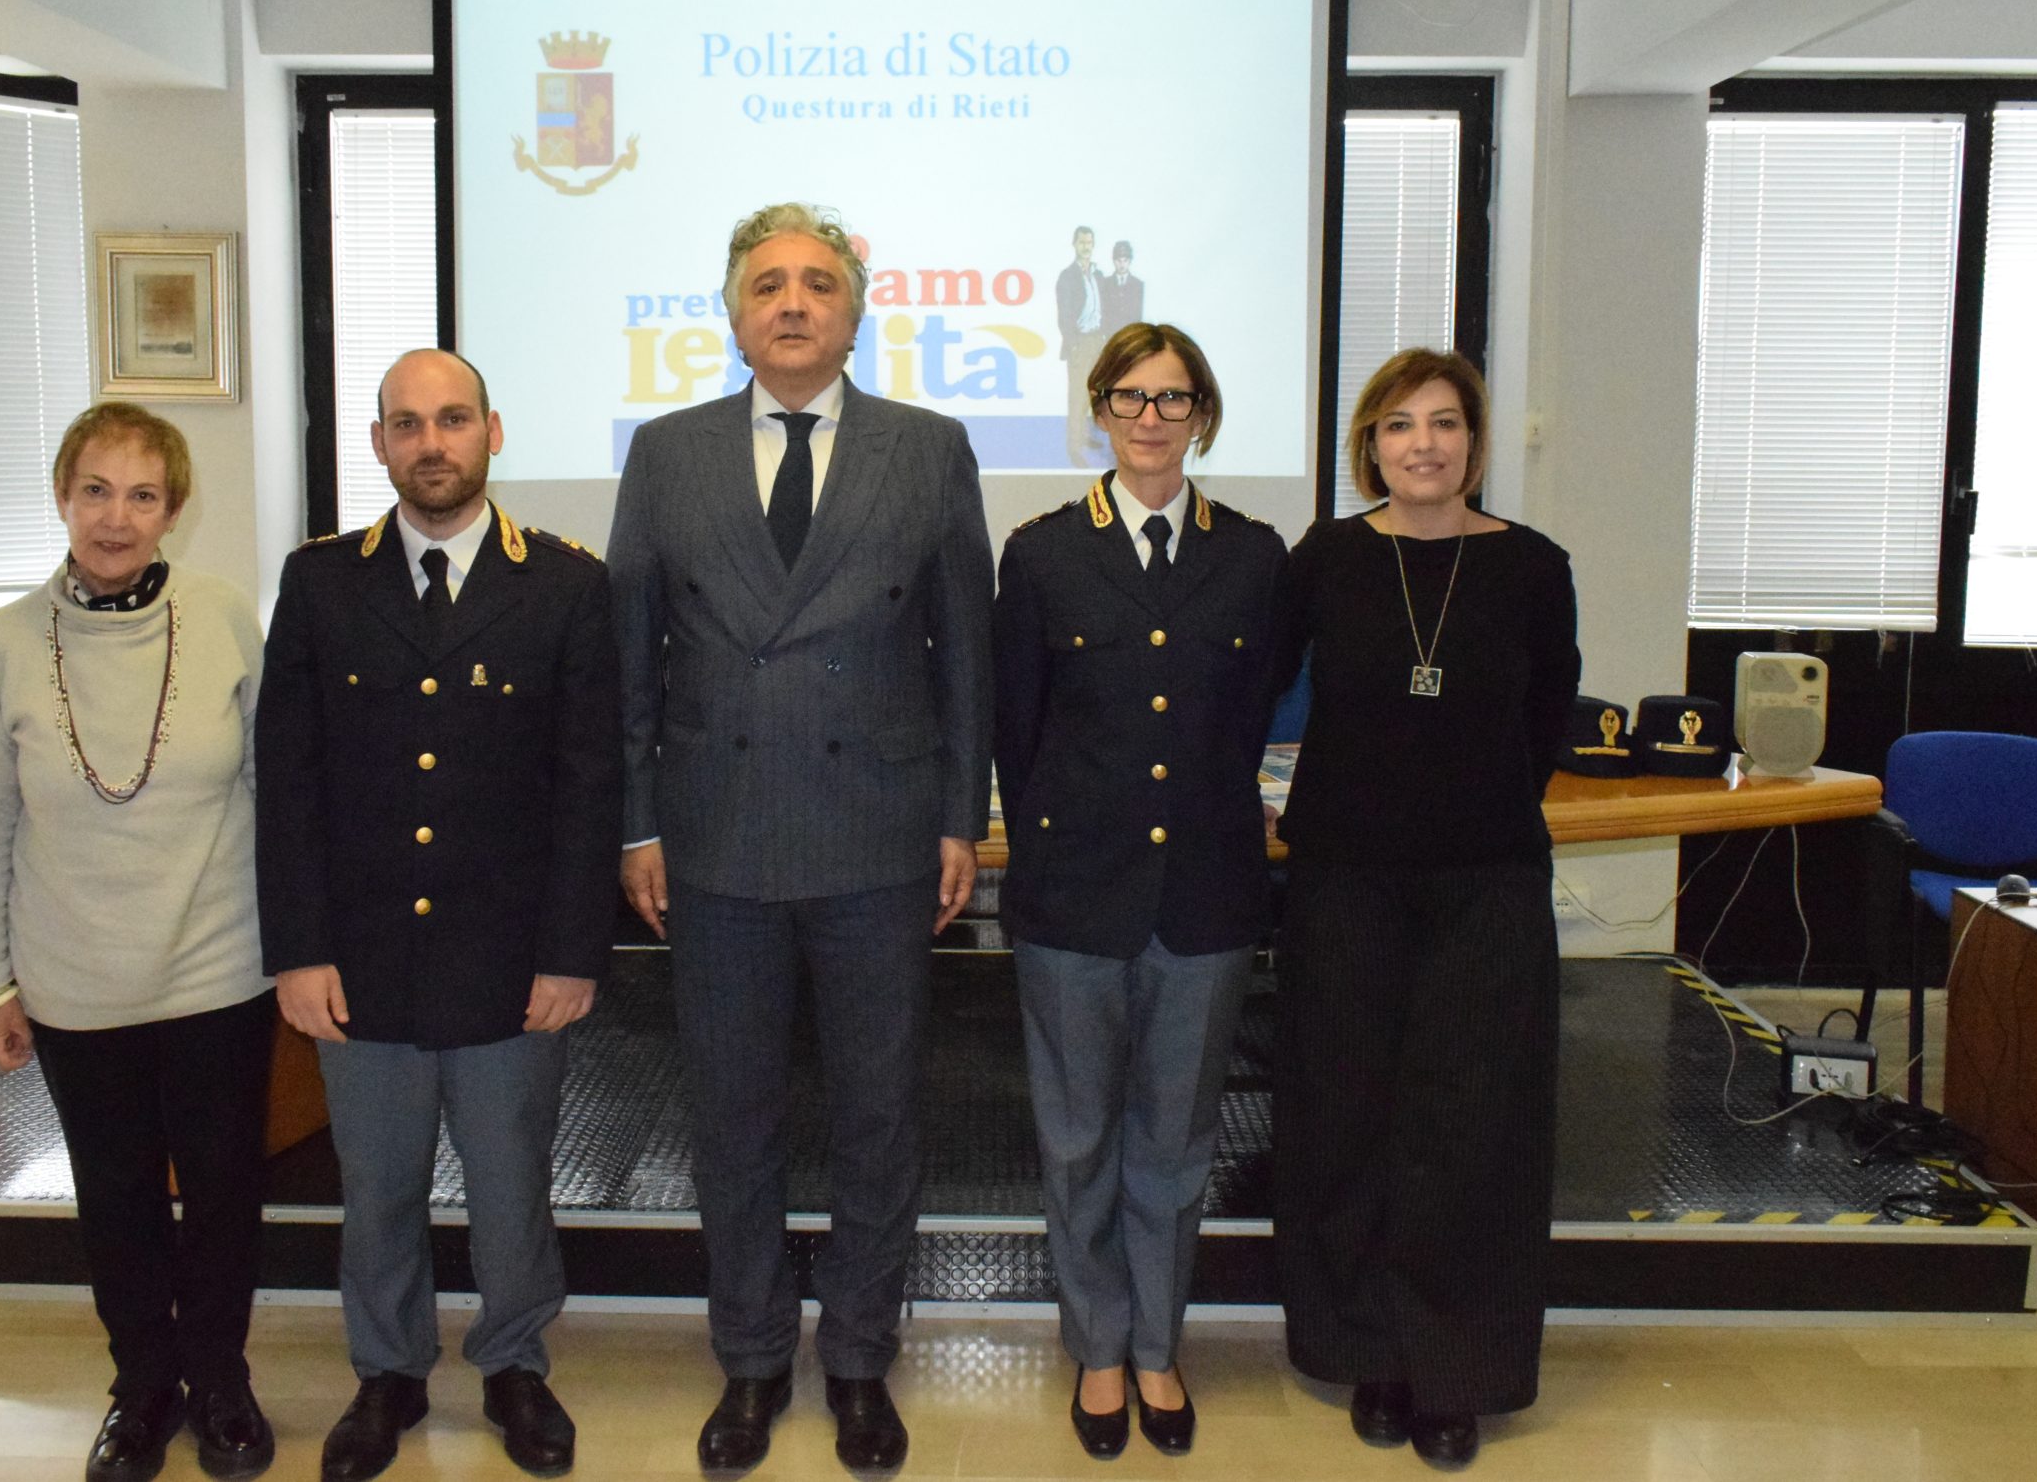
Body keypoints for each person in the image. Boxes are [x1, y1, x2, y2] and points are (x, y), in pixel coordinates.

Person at [607, 202, 993, 1473]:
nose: (791, 302)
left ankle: (863, 1359)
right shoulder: (665, 452)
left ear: (853, 312)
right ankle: (753, 1357)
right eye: (766, 283)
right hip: (714, 840)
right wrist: (636, 823)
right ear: (731, 315)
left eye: (817, 283)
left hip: (879, 836)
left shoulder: (928, 448)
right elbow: (630, 659)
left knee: (879, 1114)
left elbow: (965, 655)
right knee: (733, 1118)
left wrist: (960, 817)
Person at [255, 348, 619, 1482]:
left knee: (511, 1182)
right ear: (378, 444)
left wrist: (572, 951)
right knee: (378, 1185)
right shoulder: (322, 583)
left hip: (510, 957)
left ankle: (515, 1365)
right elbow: (287, 781)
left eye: (452, 420)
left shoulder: (564, 585)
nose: (431, 444)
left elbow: (590, 784)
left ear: (492, 433)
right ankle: (388, 1371)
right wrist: (298, 950)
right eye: (407, 424)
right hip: (362, 956)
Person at [0, 402, 277, 1482]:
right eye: (96, 490)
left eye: (143, 495)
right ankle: (143, 1387)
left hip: (220, 967)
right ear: (62, 496)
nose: (116, 518)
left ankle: (221, 1380)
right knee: (117, 1196)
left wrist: (298, 946)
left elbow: (274, 791)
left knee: (224, 1192)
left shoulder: (224, 618)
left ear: (173, 510)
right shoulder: (4, 643)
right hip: (74, 981)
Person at [1269, 348, 1580, 1470]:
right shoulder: (1326, 557)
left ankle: (1458, 1370)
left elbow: (1545, 716)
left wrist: (1469, 809)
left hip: (1485, 884)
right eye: (1399, 424)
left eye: (1445, 423)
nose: (1424, 444)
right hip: (1344, 882)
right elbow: (1262, 686)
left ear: (1475, 443)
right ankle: (1374, 1355)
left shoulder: (1533, 567)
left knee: (1473, 1128)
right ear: (1371, 444)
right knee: (1347, 1114)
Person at [992, 322, 1284, 1460]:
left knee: (1176, 1139)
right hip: (1074, 895)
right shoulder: (1043, 553)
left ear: (1201, 416)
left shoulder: (1251, 554)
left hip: (1204, 894)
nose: (1150, 418)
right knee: (1076, 1143)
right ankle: (1098, 1349)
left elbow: (1246, 720)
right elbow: (1019, 729)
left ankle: (1156, 1347)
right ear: (1099, 411)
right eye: (1130, 396)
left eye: (1173, 399)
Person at [1055, 225, 1110, 467]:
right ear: (1074, 244)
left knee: (1094, 393)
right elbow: (1064, 315)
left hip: (1098, 340)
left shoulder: (1098, 275)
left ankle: (1086, 436)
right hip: (1080, 342)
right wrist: (1073, 344)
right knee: (1077, 396)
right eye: (1082, 242)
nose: (1086, 247)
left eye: (1089, 242)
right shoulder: (1067, 276)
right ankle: (1074, 448)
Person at [1102, 240, 1145, 334]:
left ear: (1130, 261)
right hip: (1110, 333)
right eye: (1119, 261)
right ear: (1114, 261)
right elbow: (1104, 311)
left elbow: (1138, 314)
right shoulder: (1105, 283)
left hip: (1130, 333)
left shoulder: (1138, 285)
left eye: (1125, 260)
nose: (1122, 265)